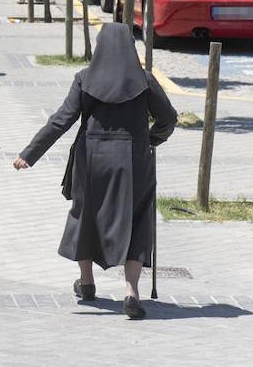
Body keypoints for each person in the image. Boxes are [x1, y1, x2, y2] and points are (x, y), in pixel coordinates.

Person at [12, 24, 177, 320]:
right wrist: (151, 139)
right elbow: (168, 118)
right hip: (134, 161)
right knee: (137, 220)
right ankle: (131, 293)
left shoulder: (84, 79)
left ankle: (87, 284)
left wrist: (29, 153)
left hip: (92, 159)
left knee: (85, 215)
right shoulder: (145, 80)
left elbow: (61, 120)